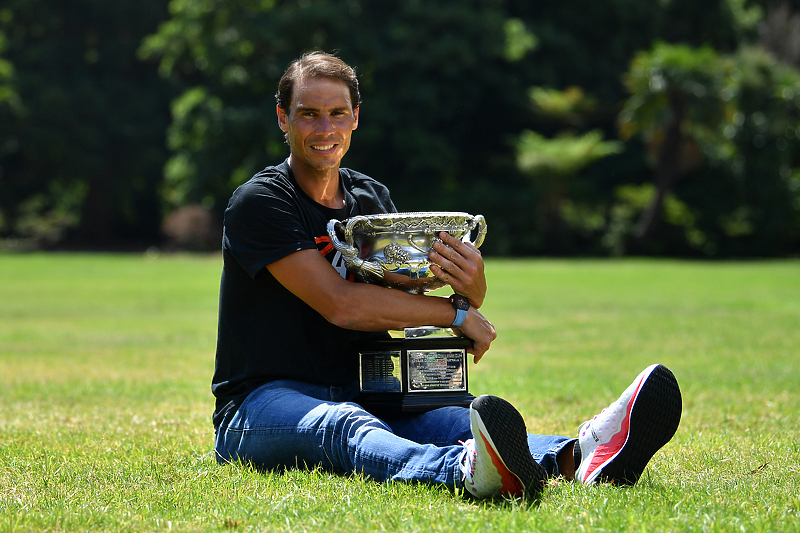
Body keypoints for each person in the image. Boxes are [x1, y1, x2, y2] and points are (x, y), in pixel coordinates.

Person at [212, 51, 683, 499]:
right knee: (344, 425)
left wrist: (468, 287)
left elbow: (405, 289)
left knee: (456, 420)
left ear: (356, 117)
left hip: (367, 387)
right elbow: (343, 303)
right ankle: (462, 471)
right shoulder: (262, 201)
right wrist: (453, 315)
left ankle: (581, 453)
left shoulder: (370, 200)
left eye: (337, 113)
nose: (324, 127)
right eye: (308, 113)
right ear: (283, 118)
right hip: (260, 403)